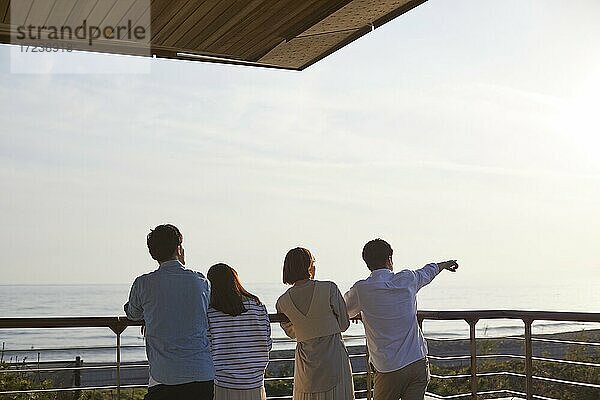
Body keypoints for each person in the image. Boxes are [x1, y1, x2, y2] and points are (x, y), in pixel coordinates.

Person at [344, 239, 458, 400]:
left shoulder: (361, 289)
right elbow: (428, 271)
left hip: (389, 368)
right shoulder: (407, 279)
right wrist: (444, 264)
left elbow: (342, 312)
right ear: (389, 259)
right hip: (417, 361)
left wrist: (358, 313)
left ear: (367, 263)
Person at [124, 224, 214, 400]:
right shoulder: (201, 281)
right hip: (202, 373)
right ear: (178, 248)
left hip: (164, 376)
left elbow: (132, 314)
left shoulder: (143, 283)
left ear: (152, 253)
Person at [275, 247, 354, 400]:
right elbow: (344, 324)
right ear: (309, 266)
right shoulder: (329, 288)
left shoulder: (282, 302)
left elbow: (292, 333)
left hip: (306, 364)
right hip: (333, 359)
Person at [207, 263, 272, 400]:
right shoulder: (257, 306)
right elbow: (267, 342)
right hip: (255, 383)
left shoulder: (210, 312)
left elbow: (207, 346)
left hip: (223, 383)